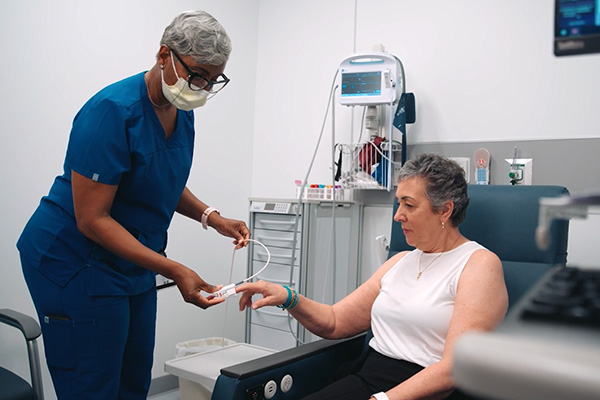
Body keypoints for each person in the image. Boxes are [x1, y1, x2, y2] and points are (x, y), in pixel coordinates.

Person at [17, 10, 249, 400]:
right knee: (93, 383)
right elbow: (92, 219)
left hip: (133, 261)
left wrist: (212, 217)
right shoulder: (111, 111)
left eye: (213, 80)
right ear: (163, 55)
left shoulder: (182, 110)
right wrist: (175, 269)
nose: (202, 87)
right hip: (73, 259)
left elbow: (159, 177)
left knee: (134, 377)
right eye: (196, 75)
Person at [237, 153, 508, 400]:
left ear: (445, 210)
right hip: (369, 378)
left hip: (428, 392)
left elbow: (453, 368)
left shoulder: (478, 264)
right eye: (398, 203)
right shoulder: (401, 261)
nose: (398, 216)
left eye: (409, 205)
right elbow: (334, 322)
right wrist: (288, 297)